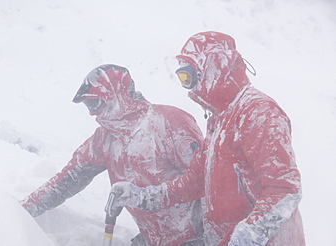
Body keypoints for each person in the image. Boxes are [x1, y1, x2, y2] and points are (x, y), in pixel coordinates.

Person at [107, 32, 305, 245]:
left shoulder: (258, 113)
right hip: (222, 238)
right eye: (183, 78)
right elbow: (196, 179)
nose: (188, 86)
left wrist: (251, 233)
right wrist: (145, 197)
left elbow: (285, 188)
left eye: (188, 76)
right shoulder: (219, 119)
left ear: (213, 67)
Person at [21, 64, 205, 246]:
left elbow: (205, 179)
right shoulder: (105, 139)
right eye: (88, 106)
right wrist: (25, 209)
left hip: (196, 237)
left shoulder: (169, 122)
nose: (92, 112)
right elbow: (68, 179)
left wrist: (148, 197)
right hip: (151, 240)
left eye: (94, 103)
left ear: (116, 96)